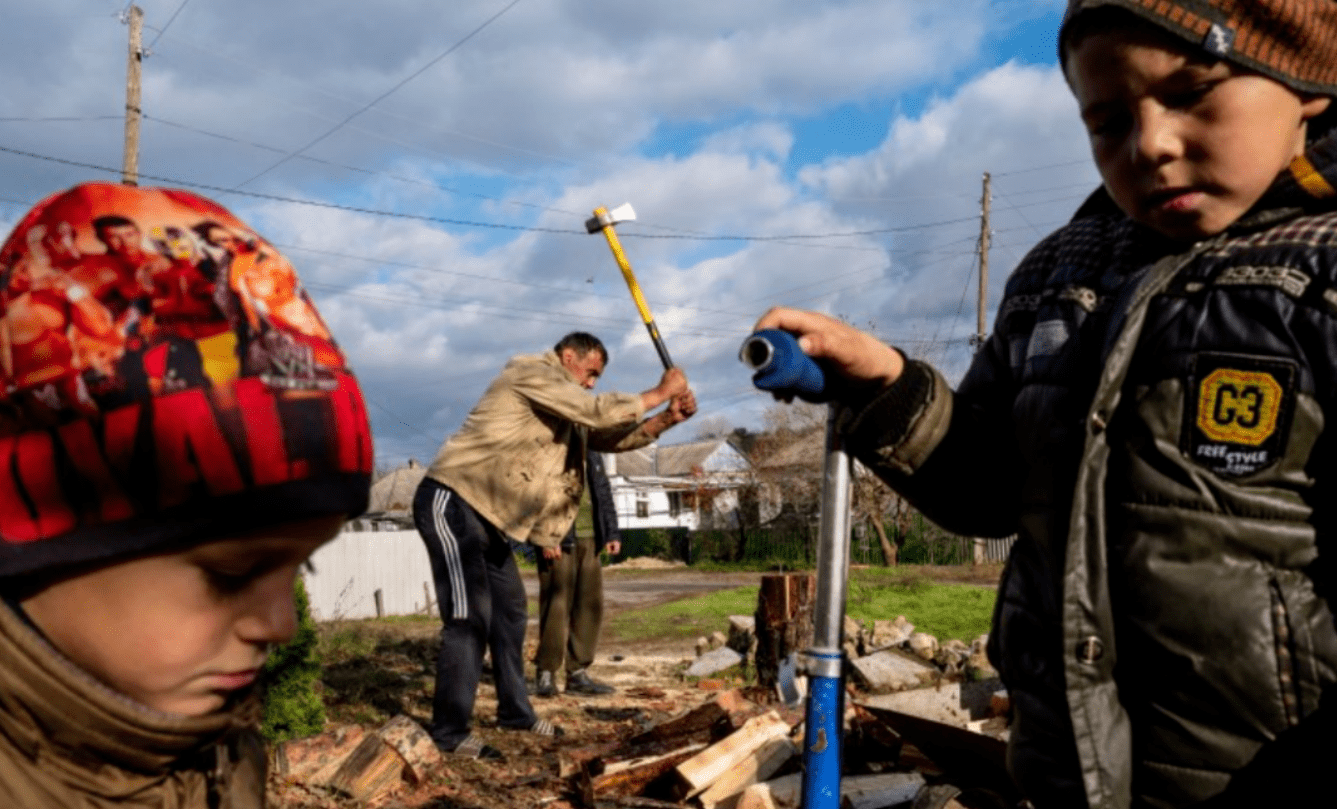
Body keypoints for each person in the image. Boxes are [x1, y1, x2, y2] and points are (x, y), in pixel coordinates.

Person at [754, 3, 1337, 807]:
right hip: (1063, 776)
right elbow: (990, 487)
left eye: (1193, 94)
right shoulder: (1060, 276)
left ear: (1307, 81)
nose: (1150, 144)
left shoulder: (1323, 277)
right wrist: (884, 384)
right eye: (1105, 121)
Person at [0, 181, 373, 808]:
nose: (282, 625)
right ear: (34, 531)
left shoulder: (216, 745)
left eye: (298, 564)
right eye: (231, 573)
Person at [415, 331, 696, 760]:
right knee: (469, 617)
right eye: (590, 373)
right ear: (568, 356)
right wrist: (658, 392)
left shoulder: (563, 405)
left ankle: (516, 713)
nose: (590, 384)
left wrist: (666, 418)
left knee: (509, 613)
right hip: (452, 499)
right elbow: (596, 411)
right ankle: (449, 733)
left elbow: (603, 437)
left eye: (596, 378)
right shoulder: (531, 373)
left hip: (490, 521)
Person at [533, 449, 621, 697]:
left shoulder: (593, 449)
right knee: (556, 608)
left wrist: (611, 532)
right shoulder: (550, 444)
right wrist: (546, 536)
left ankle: (578, 673)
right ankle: (546, 673)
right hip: (558, 539)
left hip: (590, 538)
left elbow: (602, 490)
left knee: (589, 607)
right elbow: (535, 492)